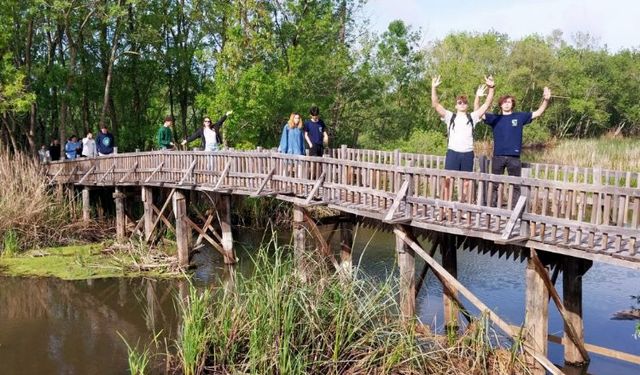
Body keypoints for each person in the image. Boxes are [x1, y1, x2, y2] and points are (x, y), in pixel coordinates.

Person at [475, 86, 552, 207]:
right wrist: (478, 98)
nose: (506, 104)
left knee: (516, 184)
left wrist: (546, 100)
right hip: (498, 156)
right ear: (500, 105)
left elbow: (538, 113)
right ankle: (492, 207)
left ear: (512, 104)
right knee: (495, 183)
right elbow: (477, 113)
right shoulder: (495, 118)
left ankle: (515, 208)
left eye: (509, 102)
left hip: (514, 157)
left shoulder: (519, 117)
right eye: (504, 102)